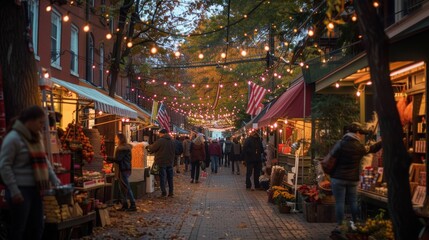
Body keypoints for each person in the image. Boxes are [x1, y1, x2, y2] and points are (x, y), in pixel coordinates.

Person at [0, 105, 60, 240]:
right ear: (30, 121)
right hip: (20, 190)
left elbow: (44, 161)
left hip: (36, 190)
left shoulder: (36, 138)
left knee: (37, 227)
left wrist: (54, 179)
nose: (41, 127)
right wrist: (14, 190)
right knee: (19, 229)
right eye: (40, 122)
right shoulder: (13, 138)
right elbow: (4, 166)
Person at [330, 122, 382, 232]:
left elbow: (331, 157)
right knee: (353, 202)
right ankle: (357, 224)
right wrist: (383, 141)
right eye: (361, 134)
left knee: (339, 203)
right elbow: (372, 148)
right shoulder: (359, 147)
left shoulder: (340, 144)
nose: (362, 136)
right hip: (352, 179)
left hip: (338, 178)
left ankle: (340, 226)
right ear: (357, 133)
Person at [147, 129, 175, 197]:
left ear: (162, 134)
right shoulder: (172, 141)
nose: (159, 135)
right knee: (170, 178)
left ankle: (163, 192)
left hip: (161, 161)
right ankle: (171, 192)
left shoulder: (160, 141)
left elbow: (153, 148)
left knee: (162, 177)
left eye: (159, 134)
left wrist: (148, 147)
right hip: (170, 161)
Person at [112, 133, 136, 211]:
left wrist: (107, 158)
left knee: (126, 187)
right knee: (123, 188)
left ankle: (132, 205)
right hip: (125, 169)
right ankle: (125, 204)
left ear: (120, 139)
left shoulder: (122, 149)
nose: (115, 140)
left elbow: (118, 159)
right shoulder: (124, 148)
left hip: (123, 169)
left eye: (116, 138)